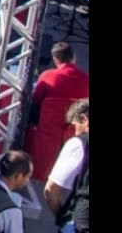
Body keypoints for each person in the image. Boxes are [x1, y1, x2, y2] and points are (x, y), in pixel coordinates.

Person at [44, 99, 89, 233]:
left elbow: (51, 190)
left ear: (84, 119)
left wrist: (62, 217)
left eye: (74, 126)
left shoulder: (78, 144)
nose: (75, 132)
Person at [30, 42, 90, 124]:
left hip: (48, 127)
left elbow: (35, 99)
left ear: (56, 60)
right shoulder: (87, 78)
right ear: (74, 57)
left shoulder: (47, 75)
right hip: (76, 128)